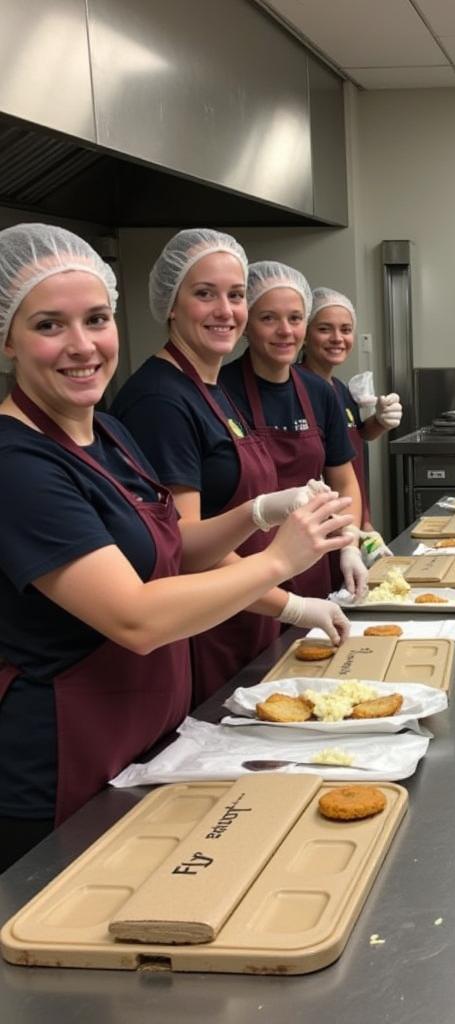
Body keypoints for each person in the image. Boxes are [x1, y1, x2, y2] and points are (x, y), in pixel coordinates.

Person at [0, 224, 350, 870]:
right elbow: (133, 616)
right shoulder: (18, 464)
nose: (82, 346)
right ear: (7, 339)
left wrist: (257, 511)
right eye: (50, 325)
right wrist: (279, 564)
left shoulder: (106, 432)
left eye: (97, 319)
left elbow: (178, 548)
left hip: (146, 740)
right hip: (63, 766)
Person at [112, 230, 351, 707]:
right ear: (171, 305)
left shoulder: (210, 387)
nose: (225, 310)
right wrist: (291, 600)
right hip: (209, 631)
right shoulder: (161, 400)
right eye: (205, 294)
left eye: (236, 295)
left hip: (246, 613)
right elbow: (184, 545)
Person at [219, 263, 367, 604]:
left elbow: (344, 481)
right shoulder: (221, 393)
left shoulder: (319, 392)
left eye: (295, 319)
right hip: (241, 567)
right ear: (245, 324)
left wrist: (351, 543)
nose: (285, 330)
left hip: (309, 560)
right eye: (269, 318)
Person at [302, 287, 400, 563]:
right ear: (305, 335)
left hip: (349, 521)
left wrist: (379, 422)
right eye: (325, 329)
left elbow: (351, 441)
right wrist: (353, 530)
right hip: (324, 529)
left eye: (345, 330)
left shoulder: (338, 388)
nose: (337, 338)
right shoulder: (301, 390)